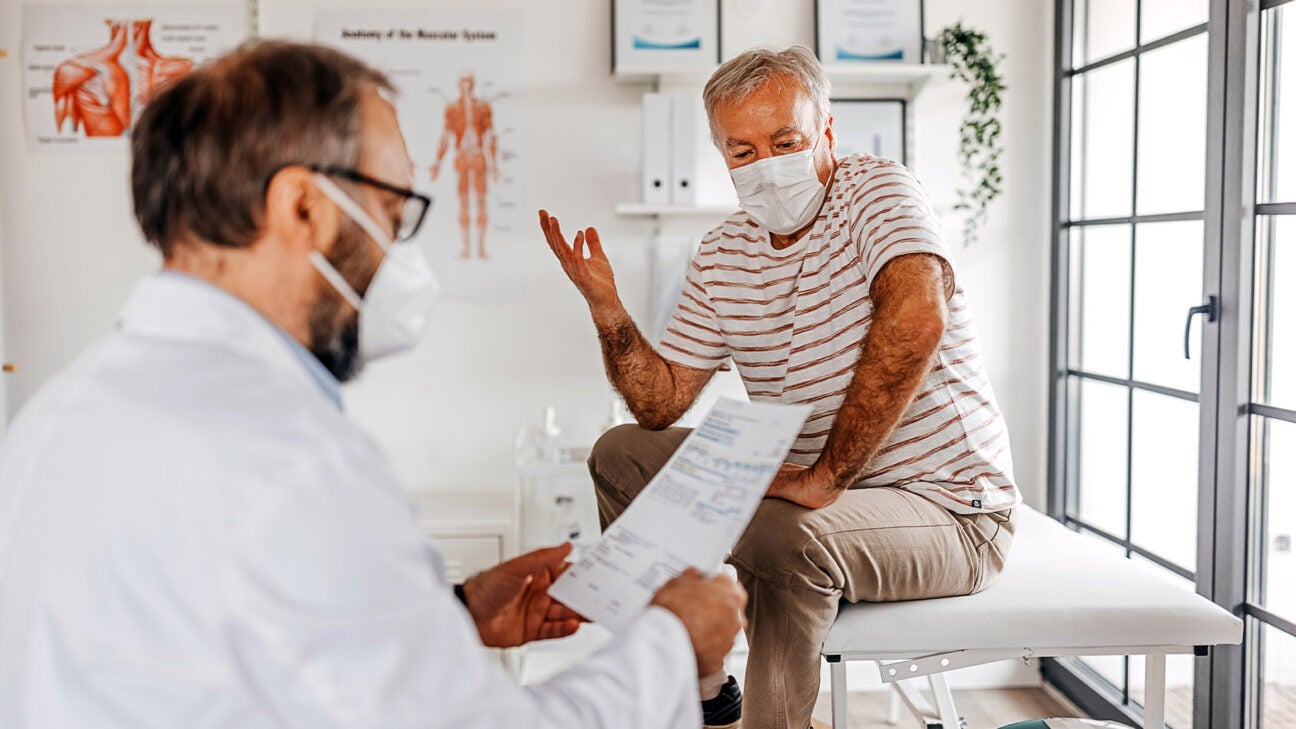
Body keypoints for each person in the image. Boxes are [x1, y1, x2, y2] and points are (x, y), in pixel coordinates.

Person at [0, 41, 746, 728]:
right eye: (395, 212)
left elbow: (213, 652)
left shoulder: (57, 415)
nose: (401, 252)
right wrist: (673, 642)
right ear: (303, 207)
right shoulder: (291, 460)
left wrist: (446, 615)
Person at [540, 44, 1020, 729]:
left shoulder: (876, 190)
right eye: (742, 151)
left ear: (825, 131)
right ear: (721, 155)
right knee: (620, 452)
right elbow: (658, 401)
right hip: (818, 492)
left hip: (951, 508)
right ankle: (698, 685)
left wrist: (826, 476)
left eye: (785, 140)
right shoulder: (722, 253)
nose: (766, 165)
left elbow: (917, 317)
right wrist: (608, 310)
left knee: (783, 527)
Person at [429, 72, 498, 260]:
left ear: (472, 85)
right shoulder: (452, 109)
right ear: (459, 86)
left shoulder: (483, 108)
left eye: (468, 84)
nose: (465, 87)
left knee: (482, 202)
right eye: (462, 84)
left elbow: (491, 136)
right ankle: (467, 248)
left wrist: (494, 165)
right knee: (464, 203)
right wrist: (437, 163)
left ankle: (481, 248)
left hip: (478, 157)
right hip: (462, 158)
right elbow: (445, 137)